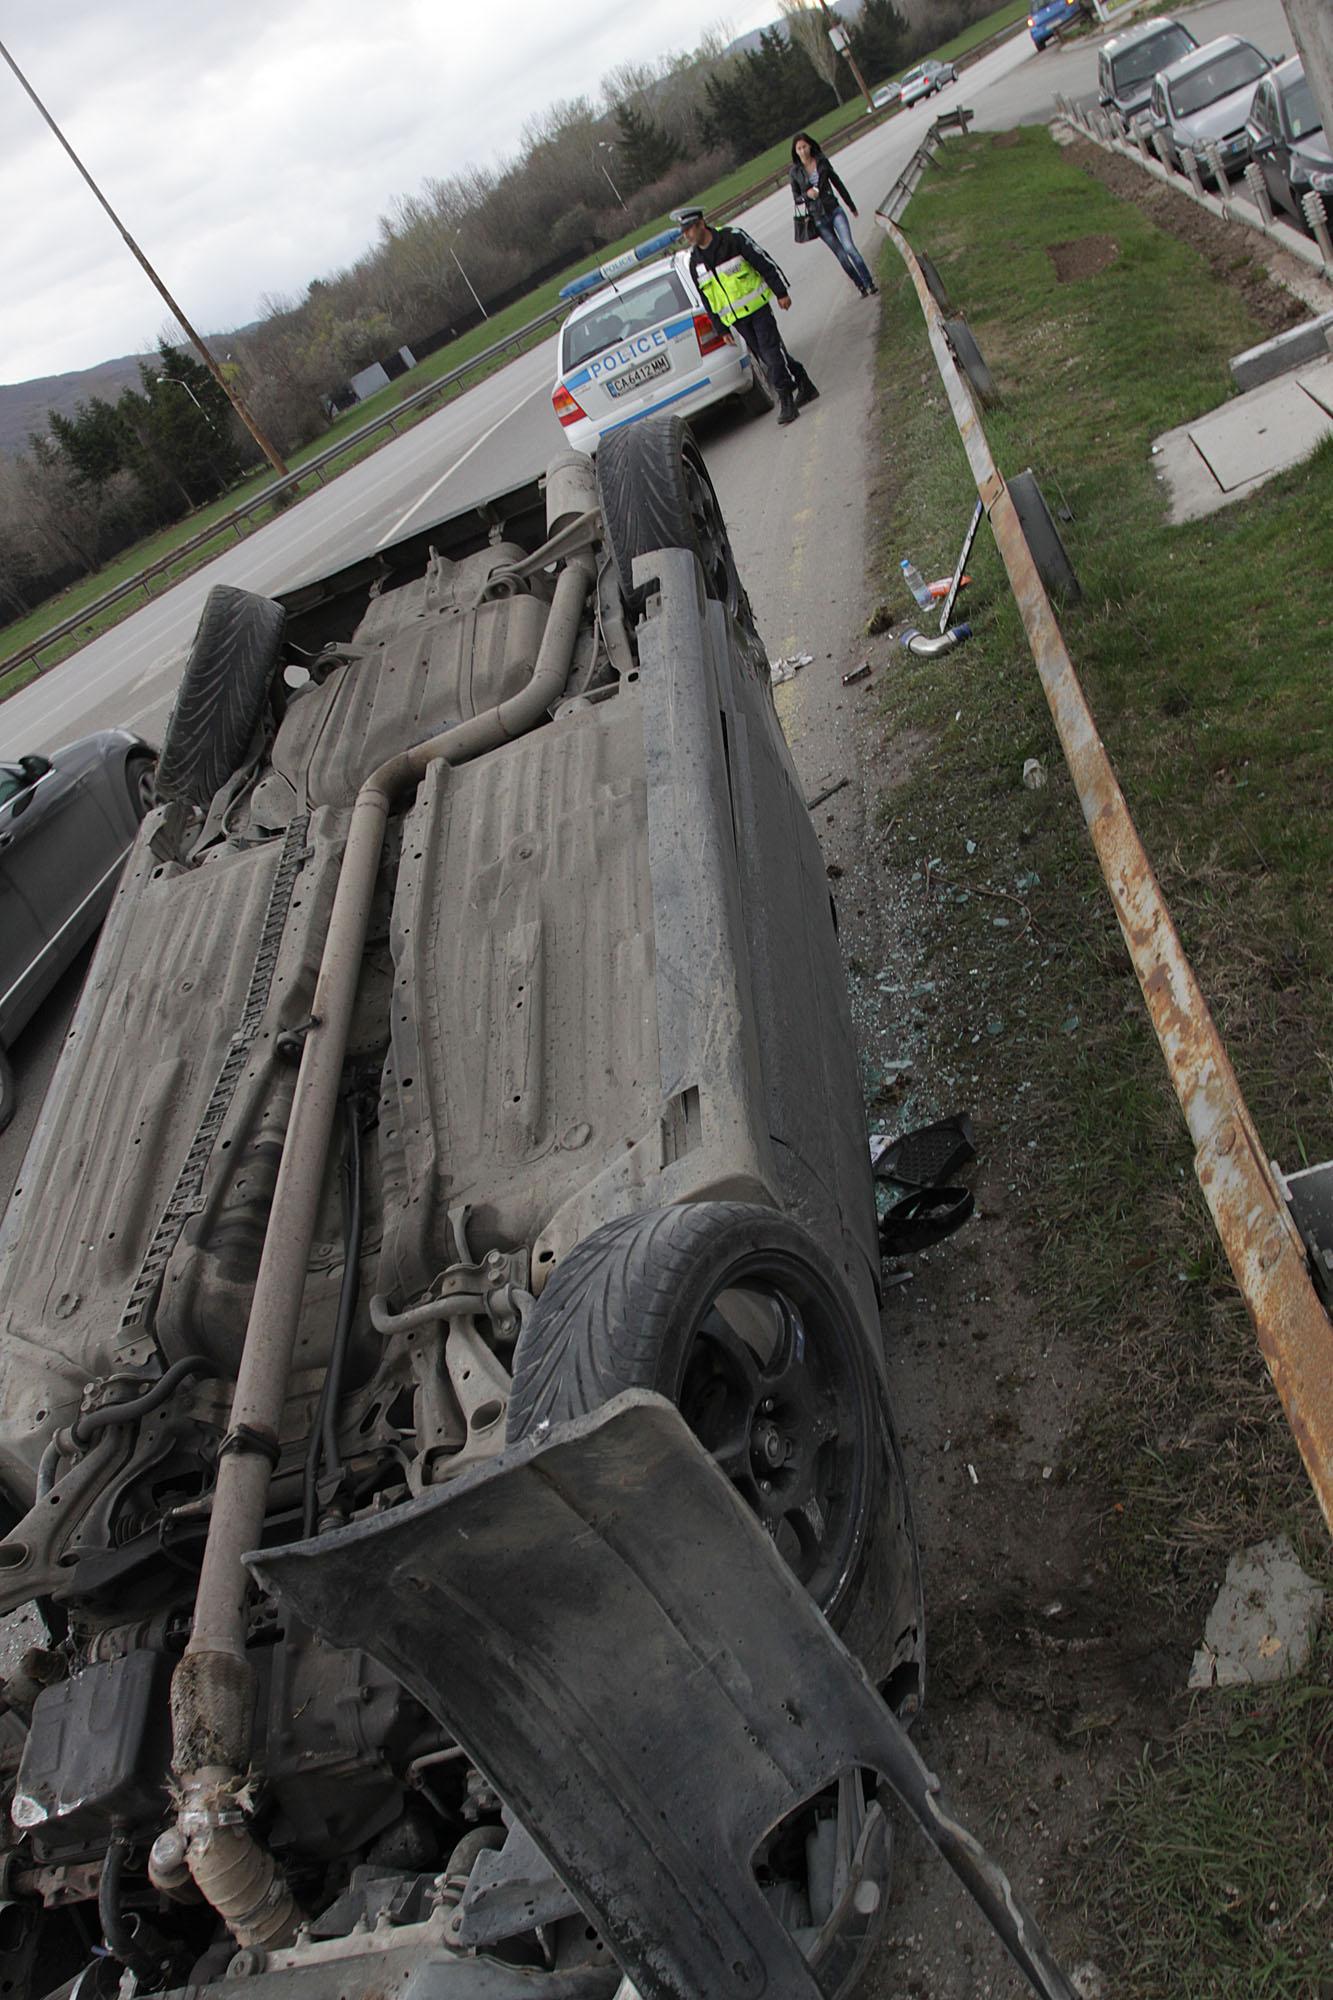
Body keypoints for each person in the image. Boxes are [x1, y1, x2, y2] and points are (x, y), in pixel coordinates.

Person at [672, 205, 818, 428]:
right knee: (768, 356)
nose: (686, 235)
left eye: (689, 229)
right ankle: (804, 383)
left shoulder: (733, 239)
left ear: (701, 223)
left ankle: (787, 401)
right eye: (684, 231)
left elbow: (763, 261)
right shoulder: (695, 262)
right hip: (737, 319)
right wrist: (720, 328)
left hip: (758, 309)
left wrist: (781, 292)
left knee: (771, 354)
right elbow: (707, 299)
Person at [789, 133, 878, 299]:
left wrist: (850, 204)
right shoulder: (795, 172)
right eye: (799, 148)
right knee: (842, 256)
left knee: (849, 247)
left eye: (804, 147)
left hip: (834, 210)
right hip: (818, 219)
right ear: (795, 151)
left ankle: (869, 283)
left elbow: (837, 182)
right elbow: (796, 198)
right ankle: (860, 286)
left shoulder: (821, 161)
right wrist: (807, 195)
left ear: (810, 146)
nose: (803, 151)